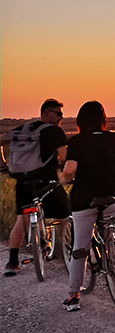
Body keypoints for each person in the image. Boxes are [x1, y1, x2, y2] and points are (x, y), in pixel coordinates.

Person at [60, 101, 115, 312]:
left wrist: (64, 179)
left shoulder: (77, 141)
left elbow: (70, 169)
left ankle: (74, 297)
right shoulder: (113, 138)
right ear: (103, 119)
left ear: (81, 120)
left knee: (80, 249)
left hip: (85, 200)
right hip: (114, 198)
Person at [0, 99, 71, 276]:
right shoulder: (54, 131)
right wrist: (64, 173)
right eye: (58, 113)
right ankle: (71, 255)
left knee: (22, 220)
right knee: (67, 216)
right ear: (46, 113)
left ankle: (12, 262)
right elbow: (64, 157)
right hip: (47, 182)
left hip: (23, 182)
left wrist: (2, 165)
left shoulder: (23, 129)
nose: (61, 117)